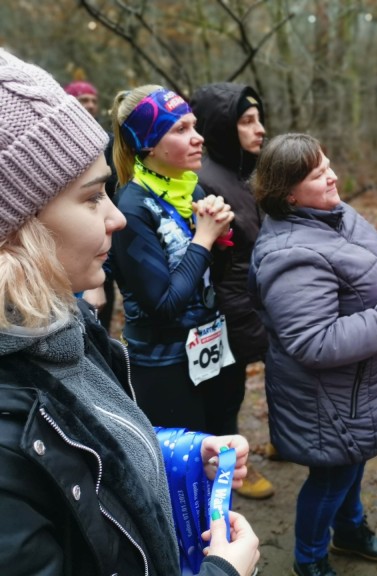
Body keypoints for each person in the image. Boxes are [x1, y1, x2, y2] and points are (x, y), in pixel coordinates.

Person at [0, 49, 259, 576]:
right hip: (167, 359)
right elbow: (163, 304)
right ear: (16, 227)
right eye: (93, 198)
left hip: (206, 352)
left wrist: (185, 458)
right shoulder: (140, 207)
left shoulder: (65, 330)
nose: (114, 216)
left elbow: (93, 451)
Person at [248, 134, 377, 576]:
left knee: (351, 464)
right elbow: (313, 340)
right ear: (288, 192)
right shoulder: (290, 255)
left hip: (356, 387)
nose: (333, 176)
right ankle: (309, 558)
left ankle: (350, 531)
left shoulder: (330, 214)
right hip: (328, 397)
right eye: (318, 173)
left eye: (328, 164)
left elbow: (356, 274)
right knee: (330, 477)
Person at [109, 84, 242, 436]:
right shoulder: (133, 208)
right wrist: (203, 238)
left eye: (194, 126)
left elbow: (209, 278)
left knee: (221, 445)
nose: (197, 138)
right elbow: (163, 304)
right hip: (163, 364)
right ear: (148, 143)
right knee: (184, 471)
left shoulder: (190, 188)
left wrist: (223, 238)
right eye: (180, 129)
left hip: (209, 345)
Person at [190, 82, 274, 500]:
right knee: (224, 392)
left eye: (259, 119)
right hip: (222, 311)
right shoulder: (204, 180)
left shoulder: (246, 169)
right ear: (223, 129)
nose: (259, 129)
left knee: (236, 385)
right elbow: (220, 266)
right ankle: (228, 463)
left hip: (249, 303)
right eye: (246, 121)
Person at [64, 78, 120, 332]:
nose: (89, 105)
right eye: (82, 100)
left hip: (100, 246)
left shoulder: (106, 142)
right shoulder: (54, 143)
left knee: (99, 322)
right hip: (75, 248)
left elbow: (112, 189)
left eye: (93, 101)